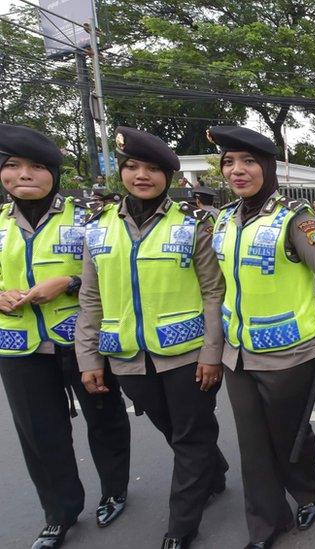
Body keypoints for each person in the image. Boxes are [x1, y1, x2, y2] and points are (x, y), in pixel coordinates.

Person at [75, 127, 227, 549]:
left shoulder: (192, 226)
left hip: (187, 354)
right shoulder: (98, 228)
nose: (142, 175)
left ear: (169, 178)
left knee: (190, 436)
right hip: (127, 358)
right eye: (133, 167)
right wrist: (88, 359)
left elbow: (215, 292)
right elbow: (90, 297)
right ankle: (214, 473)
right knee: (173, 430)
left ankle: (181, 527)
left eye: (153, 169)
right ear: (120, 172)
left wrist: (212, 353)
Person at [207, 125, 315, 548]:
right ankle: (267, 524)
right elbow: (218, 285)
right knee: (253, 445)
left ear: (266, 167)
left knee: (290, 433)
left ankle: (307, 490)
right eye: (229, 162)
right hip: (238, 353)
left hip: (289, 354)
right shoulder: (224, 219)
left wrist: (313, 317)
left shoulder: (295, 219)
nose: (238, 170)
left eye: (248, 161)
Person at [0, 124, 131, 549]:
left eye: (36, 167)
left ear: (54, 174)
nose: (24, 175)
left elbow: (111, 275)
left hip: (80, 340)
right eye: (12, 166)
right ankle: (59, 512)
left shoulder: (88, 219)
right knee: (40, 432)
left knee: (105, 418)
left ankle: (114, 490)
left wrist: (68, 281)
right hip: (19, 346)